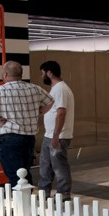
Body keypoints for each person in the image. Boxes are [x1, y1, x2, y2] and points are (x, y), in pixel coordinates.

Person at [0, 61, 54, 188]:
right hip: (29, 138)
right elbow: (50, 101)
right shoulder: (34, 88)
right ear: (21, 74)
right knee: (25, 173)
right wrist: (40, 112)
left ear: (5, 74)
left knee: (15, 176)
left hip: (9, 139)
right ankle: (27, 201)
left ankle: (21, 205)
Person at [37, 60, 76, 201]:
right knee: (46, 165)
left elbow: (61, 112)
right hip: (50, 134)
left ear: (49, 73)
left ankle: (63, 194)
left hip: (58, 135)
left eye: (42, 73)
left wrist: (56, 135)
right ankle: (44, 192)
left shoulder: (60, 89)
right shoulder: (55, 89)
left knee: (59, 166)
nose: (42, 77)